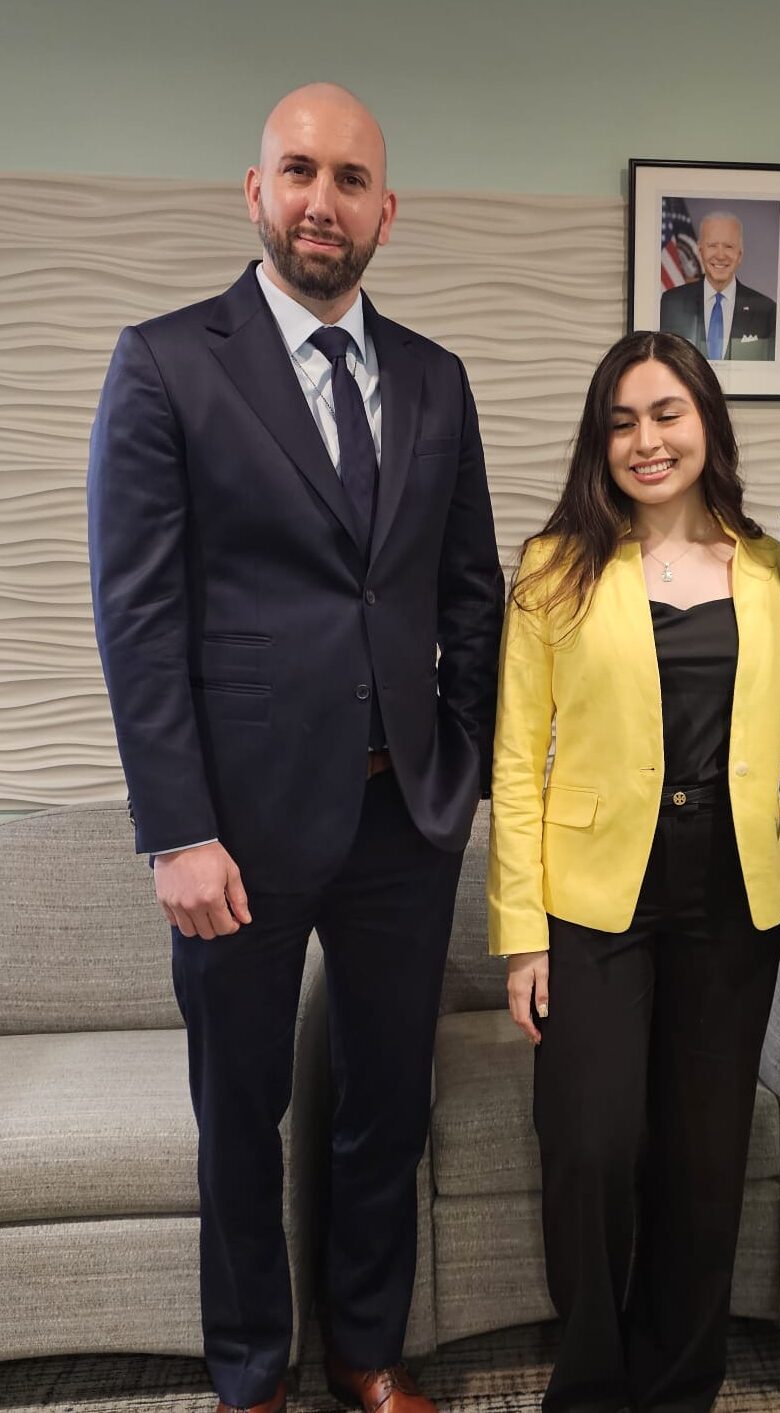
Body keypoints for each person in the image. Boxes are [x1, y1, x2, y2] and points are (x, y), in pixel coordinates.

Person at [87, 83, 503, 1413]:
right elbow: (138, 613)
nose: (324, 200)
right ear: (255, 192)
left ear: (389, 209)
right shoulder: (165, 362)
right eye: (299, 172)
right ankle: (253, 1375)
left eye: (351, 178)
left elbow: (468, 595)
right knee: (241, 1125)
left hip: (404, 825)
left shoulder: (437, 379)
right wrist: (177, 828)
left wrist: (465, 766)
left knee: (388, 1108)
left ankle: (367, 1354)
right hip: (238, 838)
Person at [488, 330, 780, 1413]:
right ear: (598, 441)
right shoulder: (554, 567)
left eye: (666, 412)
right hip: (593, 906)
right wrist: (522, 932)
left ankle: (678, 1388)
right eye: (620, 421)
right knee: (591, 1146)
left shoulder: (770, 568)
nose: (645, 440)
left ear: (706, 419)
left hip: (733, 903)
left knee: (705, 1161)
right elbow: (516, 761)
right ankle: (589, 1387)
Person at [660, 212, 777, 360]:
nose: (720, 255)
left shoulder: (766, 310)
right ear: (700, 251)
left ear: (740, 254)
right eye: (712, 245)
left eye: (729, 246)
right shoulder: (671, 303)